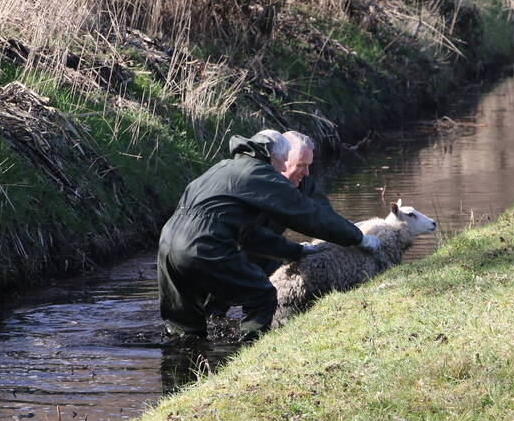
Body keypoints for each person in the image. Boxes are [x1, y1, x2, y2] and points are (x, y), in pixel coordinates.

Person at [157, 130, 380, 344]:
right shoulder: (257, 173)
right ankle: (245, 355)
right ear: (271, 156)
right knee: (261, 296)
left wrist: (297, 251)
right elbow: (309, 216)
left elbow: (250, 236)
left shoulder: (223, 167)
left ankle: (182, 371)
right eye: (283, 162)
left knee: (185, 328)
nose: (282, 168)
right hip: (203, 246)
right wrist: (358, 238)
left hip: (168, 244)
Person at [247, 130, 333, 276]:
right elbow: (250, 240)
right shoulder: (254, 185)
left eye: (309, 165)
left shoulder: (303, 184)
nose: (307, 173)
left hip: (266, 256)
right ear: (282, 160)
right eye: (301, 165)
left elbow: (327, 218)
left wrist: (356, 237)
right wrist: (293, 252)